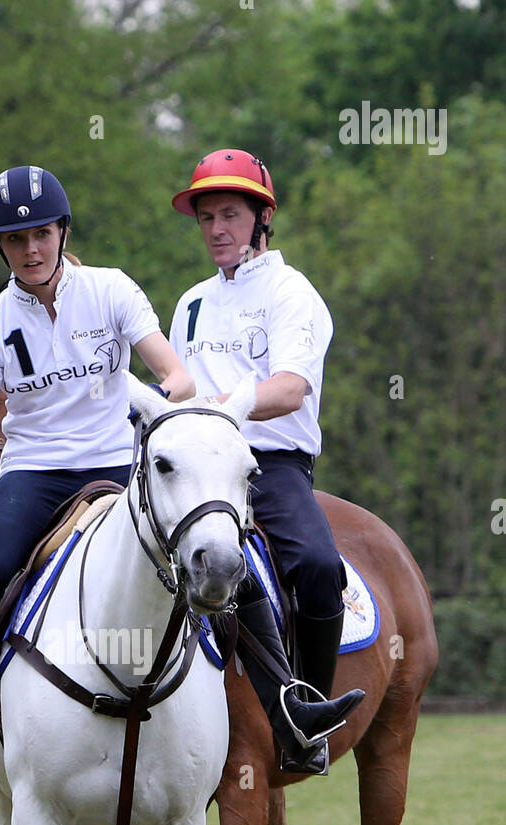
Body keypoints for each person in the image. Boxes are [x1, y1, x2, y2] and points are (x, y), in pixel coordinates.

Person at [0, 164, 194, 782]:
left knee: (210, 554)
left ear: (62, 231)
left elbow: (178, 376)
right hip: (35, 473)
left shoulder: (111, 290)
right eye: (14, 239)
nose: (31, 250)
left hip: (119, 462)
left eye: (41, 234)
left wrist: (161, 405)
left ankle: (267, 706)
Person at [170, 148, 364, 774]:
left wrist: (225, 407)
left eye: (230, 214)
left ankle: (306, 713)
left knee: (314, 564)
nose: (217, 229)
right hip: (197, 465)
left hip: (269, 466)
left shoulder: (290, 291)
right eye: (207, 219)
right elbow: (176, 390)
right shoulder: (190, 302)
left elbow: (289, 388)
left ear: (261, 219)